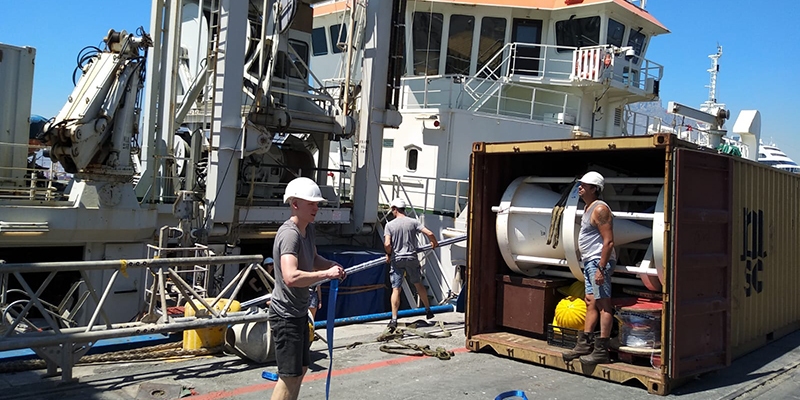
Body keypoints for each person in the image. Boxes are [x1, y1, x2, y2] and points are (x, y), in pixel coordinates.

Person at [269, 177, 345, 400]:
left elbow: (312, 259)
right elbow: (290, 276)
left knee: (300, 370)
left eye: (316, 203)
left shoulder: (308, 230)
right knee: (289, 375)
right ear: (295, 204)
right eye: (311, 203)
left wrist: (331, 265)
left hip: (299, 313)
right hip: (286, 316)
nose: (316, 208)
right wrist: (326, 275)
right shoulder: (289, 234)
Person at [562, 171, 616, 365]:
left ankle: (601, 350)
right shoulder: (588, 207)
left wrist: (601, 268)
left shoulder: (600, 210)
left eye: (584, 185)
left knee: (603, 305)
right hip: (590, 263)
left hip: (597, 262)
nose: (580, 187)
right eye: (580, 184)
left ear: (595, 189)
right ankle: (584, 345)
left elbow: (608, 242)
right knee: (590, 302)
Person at [383, 198, 438, 331]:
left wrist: (389, 254)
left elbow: (387, 244)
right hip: (412, 257)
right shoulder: (413, 222)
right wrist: (434, 242)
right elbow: (429, 233)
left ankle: (394, 319)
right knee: (418, 283)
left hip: (397, 259)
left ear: (395, 209)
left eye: (392, 210)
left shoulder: (389, 225)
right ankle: (428, 310)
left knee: (396, 288)